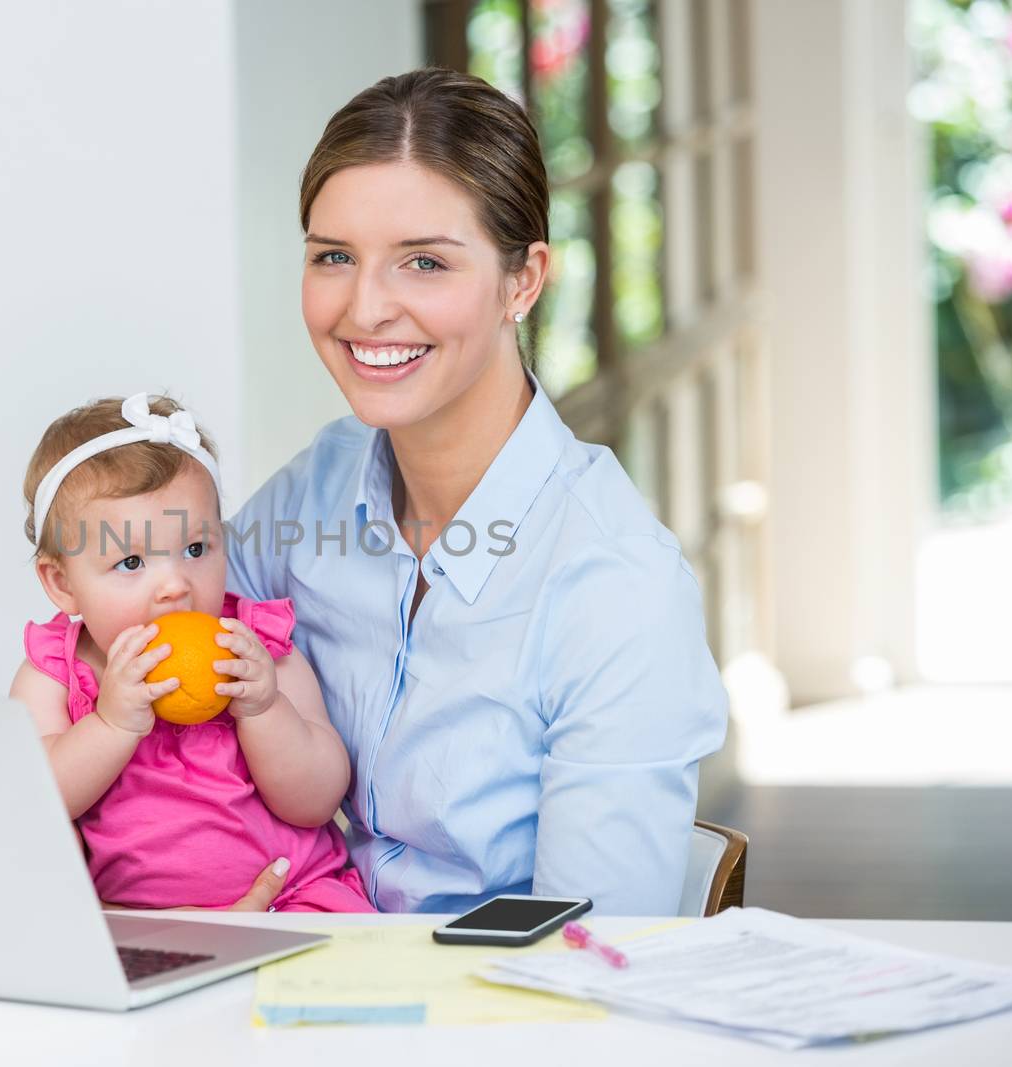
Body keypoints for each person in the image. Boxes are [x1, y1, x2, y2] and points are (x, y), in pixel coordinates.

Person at [225, 68, 729, 915]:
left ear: (523, 280)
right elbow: (150, 640)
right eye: (333, 257)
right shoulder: (318, 486)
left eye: (424, 262)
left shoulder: (617, 587)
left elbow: (595, 961)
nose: (366, 307)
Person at [9, 392, 373, 913]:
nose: (175, 586)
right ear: (61, 582)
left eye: (196, 549)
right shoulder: (56, 674)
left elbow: (317, 801)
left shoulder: (256, 649)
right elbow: (33, 804)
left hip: (291, 901)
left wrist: (265, 710)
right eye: (132, 562)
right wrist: (110, 725)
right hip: (138, 928)